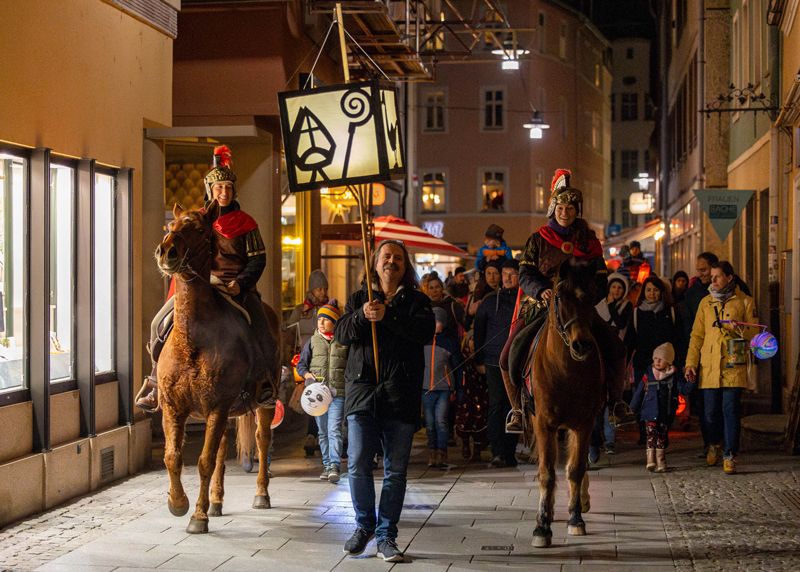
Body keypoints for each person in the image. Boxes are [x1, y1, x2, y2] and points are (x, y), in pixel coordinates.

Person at [135, 145, 271, 412]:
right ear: (211, 190)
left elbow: (258, 259)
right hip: (200, 285)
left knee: (262, 328)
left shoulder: (247, 223)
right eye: (218, 188)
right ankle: (154, 380)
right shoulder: (197, 220)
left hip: (234, 288)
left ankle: (264, 381)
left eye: (228, 188)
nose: (223, 192)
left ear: (233, 190)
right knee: (156, 325)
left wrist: (240, 283)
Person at [500, 169, 624, 433]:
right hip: (542, 308)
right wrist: (541, 290)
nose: (565, 212)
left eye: (569, 208)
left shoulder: (589, 242)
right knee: (508, 353)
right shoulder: (537, 240)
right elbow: (525, 273)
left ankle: (616, 402)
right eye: (560, 207)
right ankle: (518, 410)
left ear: (575, 211)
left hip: (578, 310)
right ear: (553, 209)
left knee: (614, 344)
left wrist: (586, 296)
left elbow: (601, 277)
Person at [335, 239, 435, 562]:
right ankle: (364, 525)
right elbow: (341, 334)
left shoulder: (417, 302)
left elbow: (424, 333)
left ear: (405, 267)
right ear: (374, 263)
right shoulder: (357, 298)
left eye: (398, 258)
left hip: (400, 394)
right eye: (386, 256)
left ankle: (386, 535)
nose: (391, 262)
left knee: (395, 470)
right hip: (363, 392)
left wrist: (388, 315)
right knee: (358, 461)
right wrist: (363, 315)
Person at [684, 261, 758, 475]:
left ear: (729, 278)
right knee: (709, 413)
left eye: (717, 276)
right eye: (712, 276)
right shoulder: (706, 303)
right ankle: (713, 444)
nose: (713, 280)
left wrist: (740, 329)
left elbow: (755, 336)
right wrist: (691, 363)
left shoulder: (745, 302)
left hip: (733, 365)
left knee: (730, 410)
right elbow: (696, 336)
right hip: (709, 366)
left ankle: (730, 454)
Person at [473, 258, 521, 467]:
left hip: (517, 361)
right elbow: (479, 331)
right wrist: (479, 358)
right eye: (505, 274)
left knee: (514, 406)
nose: (508, 278)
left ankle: (510, 452)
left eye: (512, 274)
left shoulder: (525, 301)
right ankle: (497, 451)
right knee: (496, 404)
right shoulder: (491, 300)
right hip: (493, 360)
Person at [295, 301, 348, 483]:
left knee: (334, 429)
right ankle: (326, 465)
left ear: (335, 322)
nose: (321, 322)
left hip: (338, 392)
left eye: (326, 319)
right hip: (317, 395)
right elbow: (301, 364)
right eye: (320, 319)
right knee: (322, 431)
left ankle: (334, 465)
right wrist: (307, 374)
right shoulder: (312, 341)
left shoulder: (343, 341)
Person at [630, 342, 694, 472]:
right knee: (650, 434)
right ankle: (650, 460)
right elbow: (639, 391)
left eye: (661, 359)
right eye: (655, 359)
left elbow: (683, 390)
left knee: (662, 435)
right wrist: (632, 407)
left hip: (665, 412)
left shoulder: (673, 376)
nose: (657, 361)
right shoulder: (648, 374)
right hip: (649, 410)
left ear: (668, 361)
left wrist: (691, 382)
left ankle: (661, 461)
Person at [590, 272, 634, 458]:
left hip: (615, 350)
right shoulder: (598, 305)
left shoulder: (626, 305)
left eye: (620, 288)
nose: (616, 290)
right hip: (598, 349)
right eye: (614, 287)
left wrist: (611, 305)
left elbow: (620, 321)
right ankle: (595, 440)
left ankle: (610, 439)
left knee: (612, 398)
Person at [287, 269, 330, 457]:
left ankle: (316, 435)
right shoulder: (300, 310)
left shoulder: (331, 308)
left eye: (324, 289)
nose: (321, 292)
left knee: (322, 398)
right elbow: (288, 331)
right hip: (305, 361)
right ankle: (313, 435)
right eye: (318, 289)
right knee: (311, 398)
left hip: (325, 359)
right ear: (311, 290)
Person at [422, 307, 459, 469]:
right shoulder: (422, 341)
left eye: (439, 322)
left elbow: (457, 366)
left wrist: (457, 388)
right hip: (426, 389)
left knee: (441, 421)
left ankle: (442, 452)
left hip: (444, 389)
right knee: (429, 423)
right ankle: (432, 451)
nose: (437, 325)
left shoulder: (449, 342)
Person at [454, 331, 489, 462]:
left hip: (480, 392)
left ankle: (478, 450)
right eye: (471, 339)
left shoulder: (481, 356)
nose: (473, 342)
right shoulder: (462, 357)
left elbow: (483, 372)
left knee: (479, 420)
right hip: (466, 392)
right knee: (465, 420)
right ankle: (465, 444)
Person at [423, 272, 465, 345]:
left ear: (442, 288)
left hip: (452, 349)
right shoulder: (424, 308)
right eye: (431, 288)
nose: (434, 291)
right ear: (427, 291)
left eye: (437, 287)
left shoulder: (452, 305)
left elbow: (466, 323)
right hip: (432, 350)